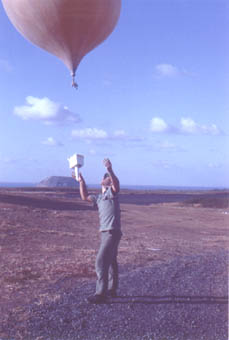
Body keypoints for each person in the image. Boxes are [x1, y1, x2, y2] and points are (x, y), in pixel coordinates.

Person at [75, 158, 122, 304]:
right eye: (106, 177)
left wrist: (110, 169)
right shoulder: (99, 198)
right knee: (111, 261)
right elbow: (84, 197)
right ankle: (112, 290)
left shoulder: (112, 193)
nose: (108, 179)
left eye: (109, 178)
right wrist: (81, 182)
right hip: (105, 233)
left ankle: (101, 293)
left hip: (111, 232)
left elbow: (117, 184)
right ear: (103, 181)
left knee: (101, 261)